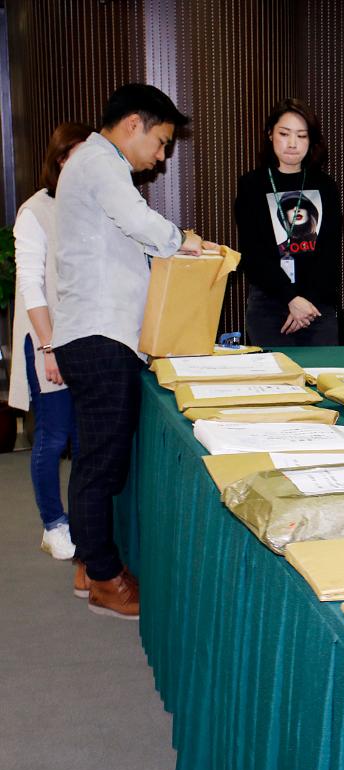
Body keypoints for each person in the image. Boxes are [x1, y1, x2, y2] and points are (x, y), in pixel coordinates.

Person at [53, 84, 212, 619]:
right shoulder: (100, 163)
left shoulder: (98, 165)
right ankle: (103, 577)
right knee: (101, 466)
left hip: (98, 335)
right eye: (161, 142)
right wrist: (185, 240)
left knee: (96, 461)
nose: (161, 157)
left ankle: (89, 564)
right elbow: (140, 223)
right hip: (99, 337)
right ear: (132, 125)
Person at [7, 122, 92, 561]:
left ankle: (80, 519)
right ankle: (53, 524)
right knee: (54, 434)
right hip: (47, 340)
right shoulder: (35, 211)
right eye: (79, 154)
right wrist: (48, 348)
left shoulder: (91, 206)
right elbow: (31, 286)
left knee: (83, 435)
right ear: (60, 160)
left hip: (85, 339)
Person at [235, 98, 341, 346]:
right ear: (270, 134)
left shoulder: (325, 186)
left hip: (316, 306)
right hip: (269, 306)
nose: (292, 143)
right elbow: (253, 254)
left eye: (301, 136)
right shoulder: (251, 185)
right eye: (284, 134)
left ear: (311, 140)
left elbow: (329, 253)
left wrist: (305, 302)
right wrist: (291, 299)